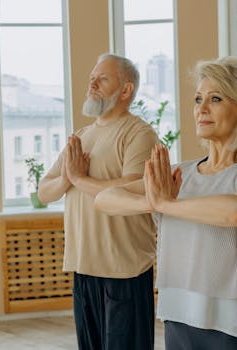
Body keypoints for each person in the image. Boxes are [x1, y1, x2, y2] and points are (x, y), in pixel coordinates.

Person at [94, 56, 237, 349]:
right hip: (178, 316)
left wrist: (166, 204)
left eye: (215, 98)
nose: (201, 109)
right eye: (198, 99)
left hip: (235, 323)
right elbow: (105, 199)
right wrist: (153, 202)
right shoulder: (178, 173)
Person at [38, 53, 159, 350]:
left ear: (126, 90)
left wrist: (80, 180)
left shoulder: (139, 133)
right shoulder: (81, 136)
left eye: (102, 78)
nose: (92, 82)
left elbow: (135, 189)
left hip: (124, 270)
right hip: (84, 268)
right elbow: (45, 192)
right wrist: (69, 178)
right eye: (92, 77)